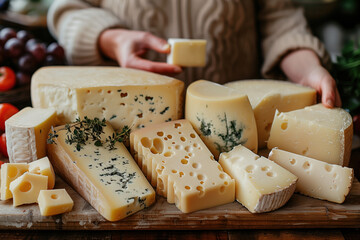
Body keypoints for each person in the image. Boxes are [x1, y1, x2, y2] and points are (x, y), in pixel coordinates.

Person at [47, 0, 341, 108]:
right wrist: (113, 39)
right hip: (137, 126)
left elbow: (280, 21)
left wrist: (306, 68)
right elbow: (67, 12)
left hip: (239, 125)